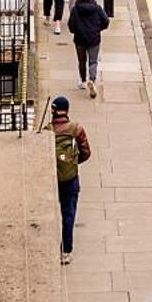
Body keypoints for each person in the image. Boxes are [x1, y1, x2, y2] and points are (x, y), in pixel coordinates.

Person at [42, 96, 90, 264]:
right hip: (70, 179)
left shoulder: (47, 131)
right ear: (67, 111)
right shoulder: (76, 129)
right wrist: (72, 163)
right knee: (68, 215)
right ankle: (66, 251)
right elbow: (86, 153)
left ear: (53, 111)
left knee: (51, 214)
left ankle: (47, 245)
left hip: (52, 179)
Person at [68, 0, 109, 98]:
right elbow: (106, 21)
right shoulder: (97, 8)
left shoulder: (75, 10)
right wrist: (98, 29)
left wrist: (76, 31)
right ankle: (92, 79)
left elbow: (71, 25)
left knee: (82, 61)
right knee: (93, 61)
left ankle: (83, 81)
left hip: (80, 39)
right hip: (94, 38)